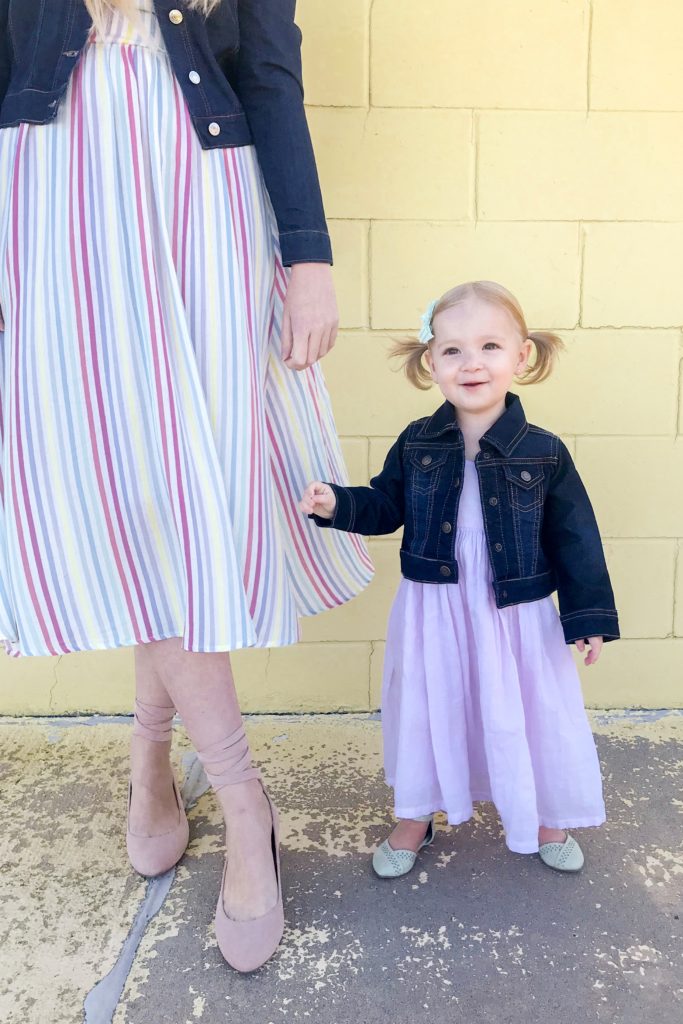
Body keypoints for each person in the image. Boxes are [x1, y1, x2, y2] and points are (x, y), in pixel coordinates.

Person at [0, 0, 372, 972]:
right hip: (54, 192)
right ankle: (237, 795)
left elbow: (270, 76)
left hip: (201, 193)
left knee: (175, 494)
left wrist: (310, 257)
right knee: (127, 492)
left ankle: (163, 761)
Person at [300, 280, 619, 877]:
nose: (472, 363)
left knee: (529, 709)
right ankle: (417, 812)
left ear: (521, 357)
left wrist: (589, 617)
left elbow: (575, 537)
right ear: (431, 363)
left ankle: (545, 813)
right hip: (435, 607)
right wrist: (336, 505)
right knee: (429, 704)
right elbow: (384, 504)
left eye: (490, 347)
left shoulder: (543, 452)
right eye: (452, 351)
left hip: (515, 613)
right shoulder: (418, 443)